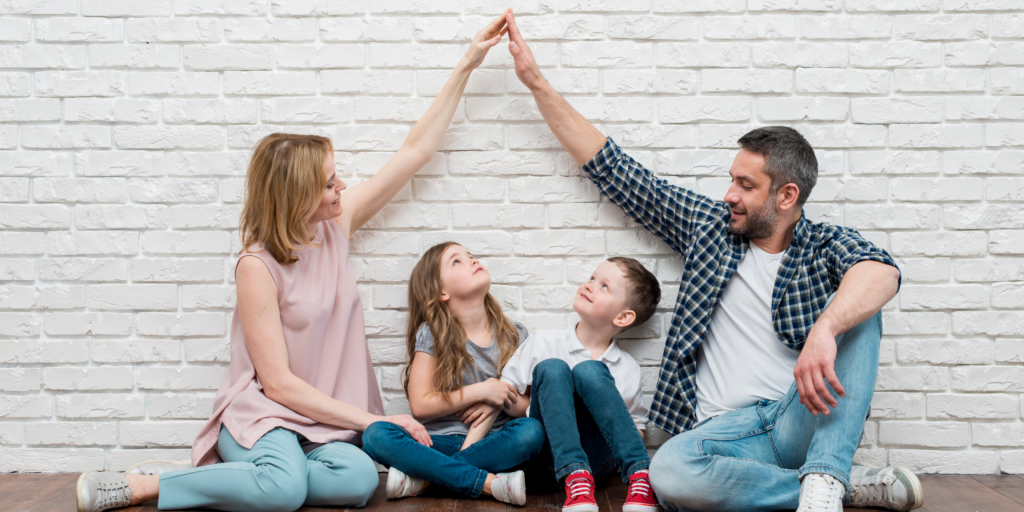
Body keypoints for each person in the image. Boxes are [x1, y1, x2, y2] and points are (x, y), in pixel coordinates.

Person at [74, 13, 512, 512]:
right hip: (268, 413)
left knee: (355, 484)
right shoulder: (256, 267)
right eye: (329, 183)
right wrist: (372, 421)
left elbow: (414, 152)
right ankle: (153, 484)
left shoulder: (336, 226)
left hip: (326, 420)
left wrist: (467, 65)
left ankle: (263, 477)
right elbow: (278, 383)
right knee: (284, 491)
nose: (342, 187)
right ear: (296, 195)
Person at [502, 10, 923, 512]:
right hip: (722, 433)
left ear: (787, 196)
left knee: (862, 310)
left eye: (746, 185)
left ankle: (825, 478)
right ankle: (837, 484)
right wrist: (536, 83)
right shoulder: (710, 228)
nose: (729, 194)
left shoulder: (824, 245)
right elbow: (617, 172)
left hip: (796, 415)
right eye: (731, 179)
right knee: (670, 473)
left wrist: (826, 328)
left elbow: (882, 271)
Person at [361, 242, 544, 506]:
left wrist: (503, 395)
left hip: (493, 443)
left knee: (531, 431)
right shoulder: (432, 333)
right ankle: (488, 484)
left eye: (470, 256)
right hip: (439, 443)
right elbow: (421, 406)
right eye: (457, 261)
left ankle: (427, 480)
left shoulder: (515, 334)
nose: (472, 260)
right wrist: (482, 390)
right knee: (375, 434)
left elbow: (528, 408)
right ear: (441, 292)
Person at [500, 257, 661, 512]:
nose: (589, 285)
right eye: (592, 278)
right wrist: (546, 406)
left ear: (623, 317)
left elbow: (637, 429)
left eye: (604, 286)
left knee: (590, 371)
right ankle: (575, 475)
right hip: (546, 461)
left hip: (598, 463)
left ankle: (640, 475)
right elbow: (506, 396)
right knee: (552, 368)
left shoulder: (626, 367)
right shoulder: (544, 342)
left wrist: (605, 418)